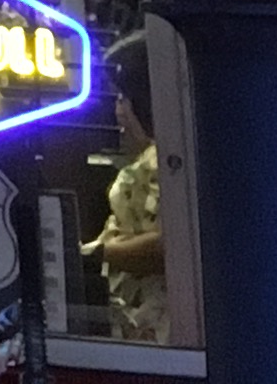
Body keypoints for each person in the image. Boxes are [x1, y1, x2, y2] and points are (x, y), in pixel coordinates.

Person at [82, 33, 167, 341]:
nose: (118, 109)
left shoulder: (168, 162)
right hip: (137, 319)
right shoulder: (154, 159)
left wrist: (92, 254)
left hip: (165, 326)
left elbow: (166, 247)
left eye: (122, 97)